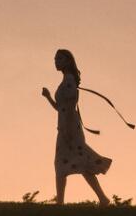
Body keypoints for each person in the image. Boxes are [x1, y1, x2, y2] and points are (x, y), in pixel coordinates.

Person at [42, 48, 112, 206]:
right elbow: (61, 108)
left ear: (67, 61)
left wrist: (66, 130)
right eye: (55, 59)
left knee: (64, 163)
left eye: (59, 59)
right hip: (66, 125)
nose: (56, 62)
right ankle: (102, 198)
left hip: (69, 127)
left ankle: (61, 203)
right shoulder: (67, 80)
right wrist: (48, 97)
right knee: (80, 163)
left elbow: (70, 105)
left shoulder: (69, 80)